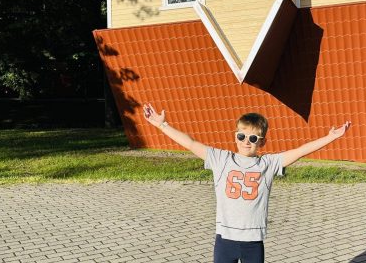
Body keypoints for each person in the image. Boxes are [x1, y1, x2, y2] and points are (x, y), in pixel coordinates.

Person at [142, 103, 350, 263]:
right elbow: (190, 142)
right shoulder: (220, 159)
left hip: (253, 242)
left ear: (262, 142)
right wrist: (161, 124)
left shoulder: (268, 164)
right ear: (235, 135)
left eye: (253, 138)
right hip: (225, 240)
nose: (246, 141)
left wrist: (330, 138)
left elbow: (301, 151)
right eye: (241, 136)